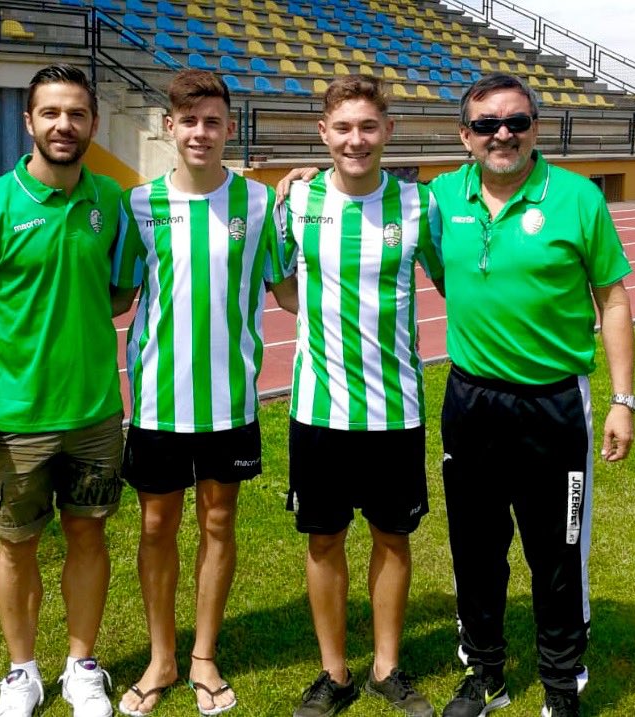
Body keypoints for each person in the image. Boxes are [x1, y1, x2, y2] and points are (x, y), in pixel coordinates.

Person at [429, 73, 635, 717]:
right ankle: (486, 674)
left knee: (558, 548)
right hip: (471, 401)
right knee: (475, 546)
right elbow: (365, 196)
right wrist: (304, 180)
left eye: (517, 121)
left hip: (553, 404)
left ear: (535, 129)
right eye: (488, 124)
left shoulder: (576, 198)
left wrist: (623, 400)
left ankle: (560, 683)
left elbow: (615, 298)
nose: (503, 134)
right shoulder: (438, 200)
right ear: (466, 137)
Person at [0, 64, 124, 717]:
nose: (63, 125)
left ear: (92, 124)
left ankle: (82, 666)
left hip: (96, 411)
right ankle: (21, 672)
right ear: (29, 122)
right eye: (50, 113)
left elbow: (119, 290)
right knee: (16, 546)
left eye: (75, 113)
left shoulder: (110, 200)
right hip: (16, 416)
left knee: (88, 537)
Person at [110, 70, 296, 717]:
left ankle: (204, 655)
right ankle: (162, 655)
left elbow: (290, 290)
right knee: (156, 524)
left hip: (231, 400)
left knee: (219, 521)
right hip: (159, 401)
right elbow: (117, 297)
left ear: (228, 129)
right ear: (170, 127)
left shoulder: (259, 205)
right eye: (188, 121)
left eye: (212, 121)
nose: (200, 132)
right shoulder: (140, 207)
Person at [282, 76, 444, 717]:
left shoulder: (419, 207)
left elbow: (455, 283)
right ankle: (334, 672)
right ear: (323, 134)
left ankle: (386, 666)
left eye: (368, 127)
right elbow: (282, 286)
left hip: (395, 408)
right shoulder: (293, 202)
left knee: (392, 538)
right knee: (323, 539)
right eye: (343, 128)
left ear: (387, 133)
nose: (356, 139)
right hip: (318, 409)